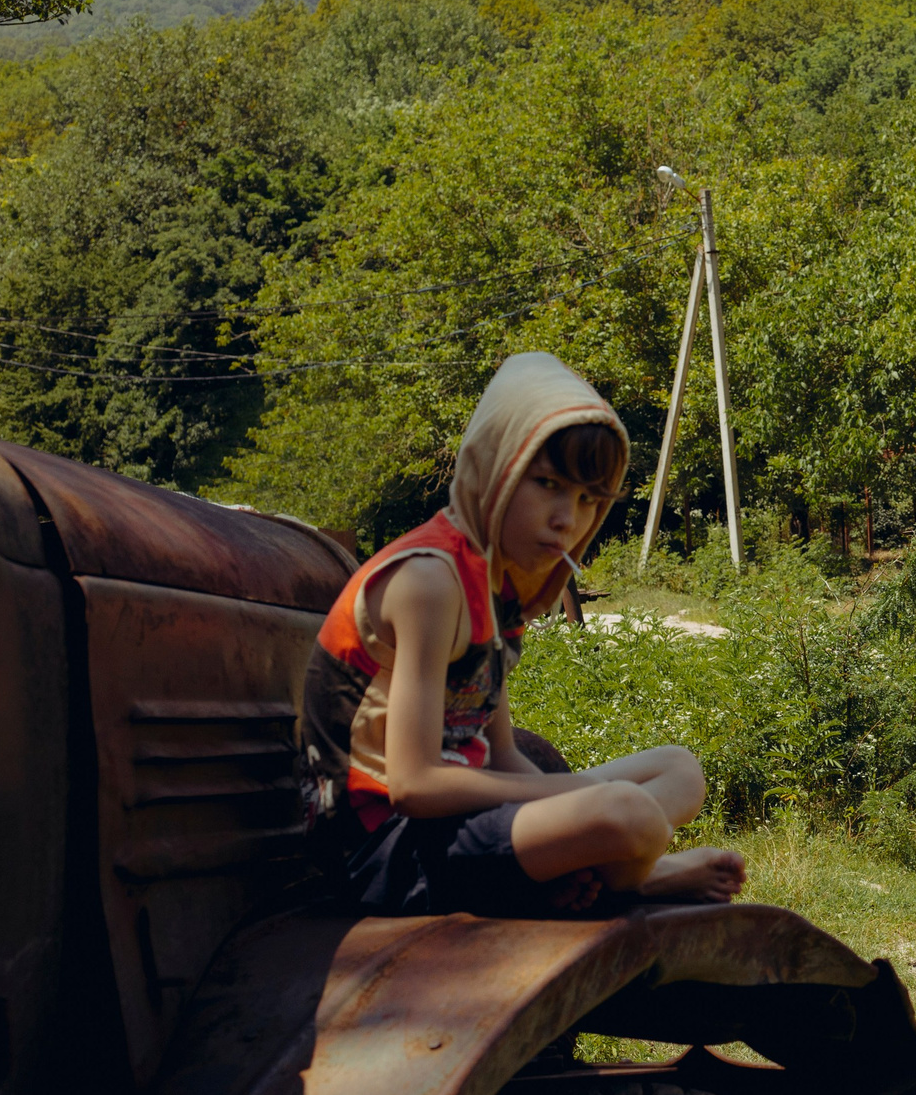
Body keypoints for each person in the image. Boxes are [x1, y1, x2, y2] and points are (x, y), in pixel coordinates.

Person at [299, 352, 745, 916]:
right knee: (630, 815)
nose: (568, 518)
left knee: (678, 770)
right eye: (548, 484)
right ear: (494, 470)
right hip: (382, 846)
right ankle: (641, 878)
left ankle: (598, 871)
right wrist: (577, 802)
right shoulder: (430, 582)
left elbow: (501, 752)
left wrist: (568, 821)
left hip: (456, 818)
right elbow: (412, 785)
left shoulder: (496, 589)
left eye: (588, 499)